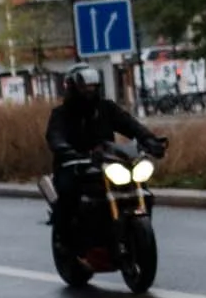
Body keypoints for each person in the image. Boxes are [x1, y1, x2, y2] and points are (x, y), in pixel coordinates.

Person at [44, 66, 164, 222]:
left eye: (93, 87)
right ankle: (68, 235)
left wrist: (148, 139)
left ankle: (136, 223)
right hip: (74, 165)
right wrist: (64, 148)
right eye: (84, 87)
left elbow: (130, 125)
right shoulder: (61, 113)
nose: (89, 91)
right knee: (69, 192)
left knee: (138, 186)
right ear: (73, 88)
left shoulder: (106, 108)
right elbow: (54, 135)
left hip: (106, 162)